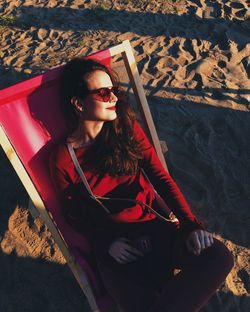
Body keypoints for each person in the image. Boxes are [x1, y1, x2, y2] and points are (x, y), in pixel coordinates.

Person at [49, 58, 234, 312]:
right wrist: (106, 244)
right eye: (103, 93)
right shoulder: (63, 157)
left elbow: (161, 177)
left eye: (114, 90)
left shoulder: (126, 130)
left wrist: (191, 225)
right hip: (118, 251)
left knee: (218, 256)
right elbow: (73, 215)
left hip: (156, 230)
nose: (113, 97)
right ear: (78, 104)